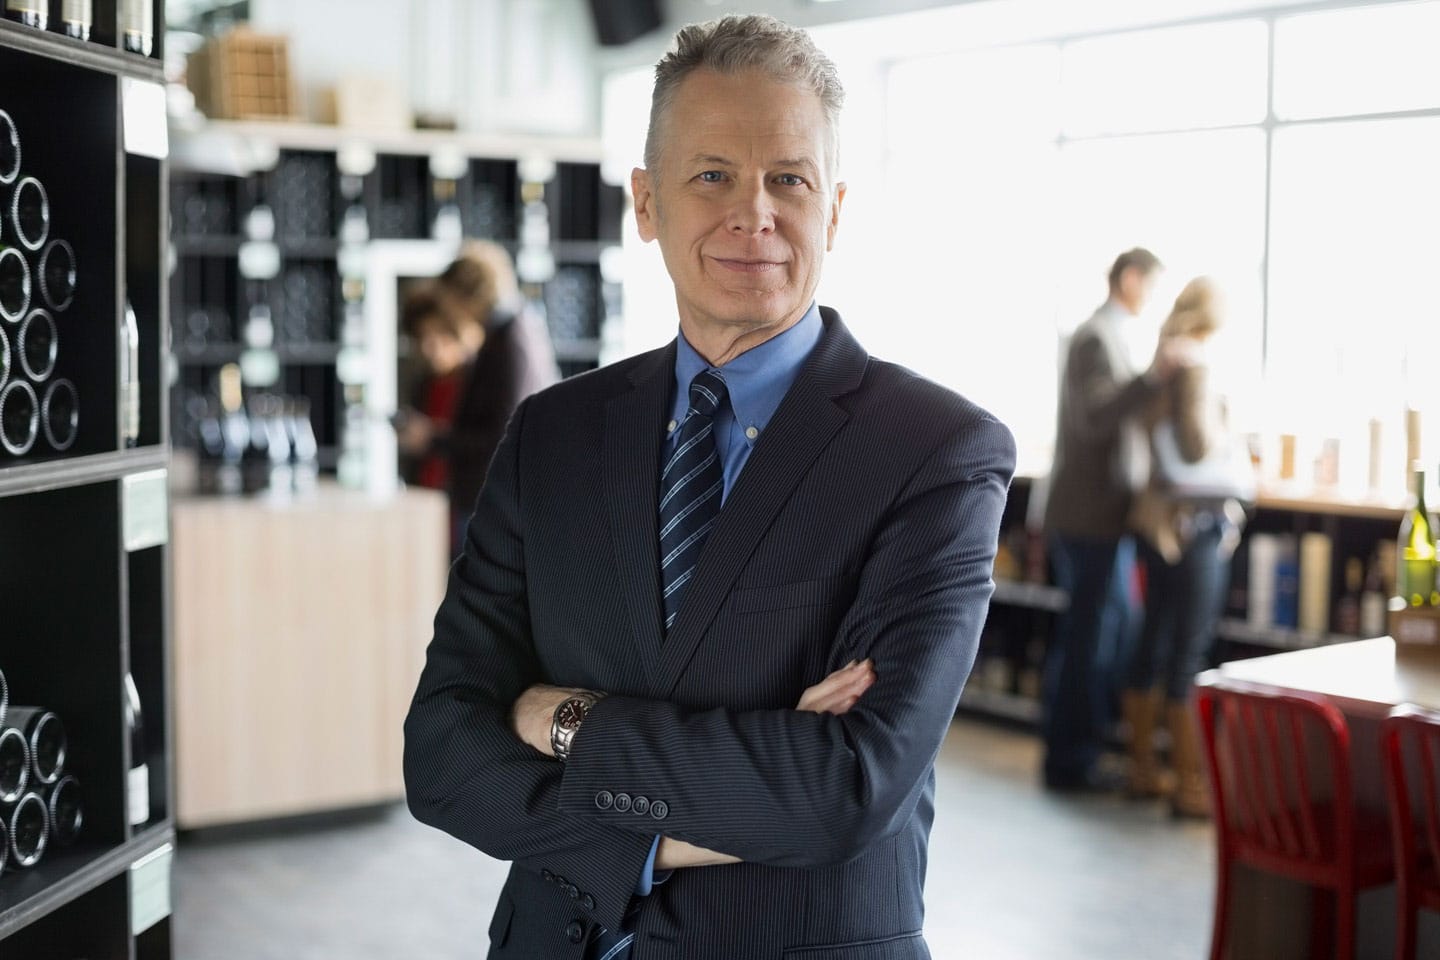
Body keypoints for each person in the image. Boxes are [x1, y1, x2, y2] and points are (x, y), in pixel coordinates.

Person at [403, 14, 1015, 960]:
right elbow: (442, 751)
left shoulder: (936, 452)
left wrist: (557, 717)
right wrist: (665, 835)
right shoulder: (554, 434)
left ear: (836, 210)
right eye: (713, 175)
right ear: (646, 204)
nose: (754, 213)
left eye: (790, 180)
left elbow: (844, 789)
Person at [1041, 247, 1193, 793]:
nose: (1151, 298)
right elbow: (1099, 416)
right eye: (1149, 285)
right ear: (1130, 279)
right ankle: (1068, 762)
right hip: (1086, 518)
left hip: (1108, 517)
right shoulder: (1094, 337)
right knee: (1089, 641)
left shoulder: (1111, 335)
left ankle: (1084, 752)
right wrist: (1153, 377)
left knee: (1111, 633)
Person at [1122, 277, 1250, 817]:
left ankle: (1143, 769)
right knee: (1188, 653)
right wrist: (1231, 435)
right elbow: (1197, 444)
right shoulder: (1196, 364)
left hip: (1157, 525)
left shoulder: (1162, 358)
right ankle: (1191, 785)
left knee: (1152, 645)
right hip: (1194, 526)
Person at [433, 240, 561, 531]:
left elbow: (503, 433)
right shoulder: (513, 330)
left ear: (465, 296)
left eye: (448, 304)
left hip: (498, 504)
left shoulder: (511, 338)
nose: (449, 315)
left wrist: (434, 440)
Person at [395, 283, 484, 505]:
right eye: (422, 338)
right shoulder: (423, 384)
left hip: (466, 504)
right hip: (427, 502)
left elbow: (484, 443)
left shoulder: (479, 381)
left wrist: (432, 438)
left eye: (437, 335)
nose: (429, 347)